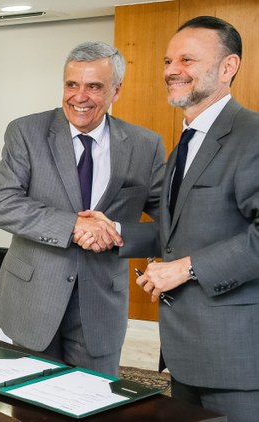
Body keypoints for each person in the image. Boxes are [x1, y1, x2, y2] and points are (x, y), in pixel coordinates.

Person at [0, 41, 165, 376]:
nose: (79, 97)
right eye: (72, 84)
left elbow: (174, 222)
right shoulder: (26, 132)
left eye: (94, 86)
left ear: (116, 90)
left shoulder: (145, 145)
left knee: (95, 404)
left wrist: (119, 233)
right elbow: (0, 203)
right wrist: (74, 226)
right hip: (31, 302)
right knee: (28, 405)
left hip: (100, 308)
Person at [117, 17, 259, 421]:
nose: (171, 70)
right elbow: (179, 230)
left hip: (237, 360)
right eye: (167, 60)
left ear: (228, 67)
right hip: (184, 355)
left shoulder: (252, 135)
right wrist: (113, 234)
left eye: (187, 59)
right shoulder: (185, 142)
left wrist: (186, 268)